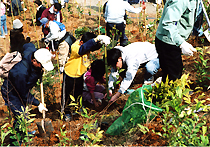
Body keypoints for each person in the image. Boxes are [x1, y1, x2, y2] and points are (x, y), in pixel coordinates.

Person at [1, 43, 54, 145]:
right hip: (12, 93)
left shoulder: (31, 52)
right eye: (41, 65)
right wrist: (38, 103)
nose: (42, 67)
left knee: (23, 111)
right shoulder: (20, 72)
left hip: (21, 88)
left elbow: (28, 45)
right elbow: (23, 93)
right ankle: (16, 142)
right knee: (21, 116)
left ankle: (22, 132)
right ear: (34, 61)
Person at [61, 32, 110, 121]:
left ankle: (77, 109)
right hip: (70, 74)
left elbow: (93, 47)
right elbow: (82, 49)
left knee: (78, 93)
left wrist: (101, 43)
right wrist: (95, 40)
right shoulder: (75, 47)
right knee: (67, 95)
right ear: (82, 42)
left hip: (79, 74)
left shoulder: (85, 45)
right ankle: (66, 112)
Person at [155, 0, 200, 83]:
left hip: (175, 39)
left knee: (175, 70)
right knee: (173, 75)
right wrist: (182, 43)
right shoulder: (180, 1)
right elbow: (168, 23)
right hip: (167, 41)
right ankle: (170, 93)